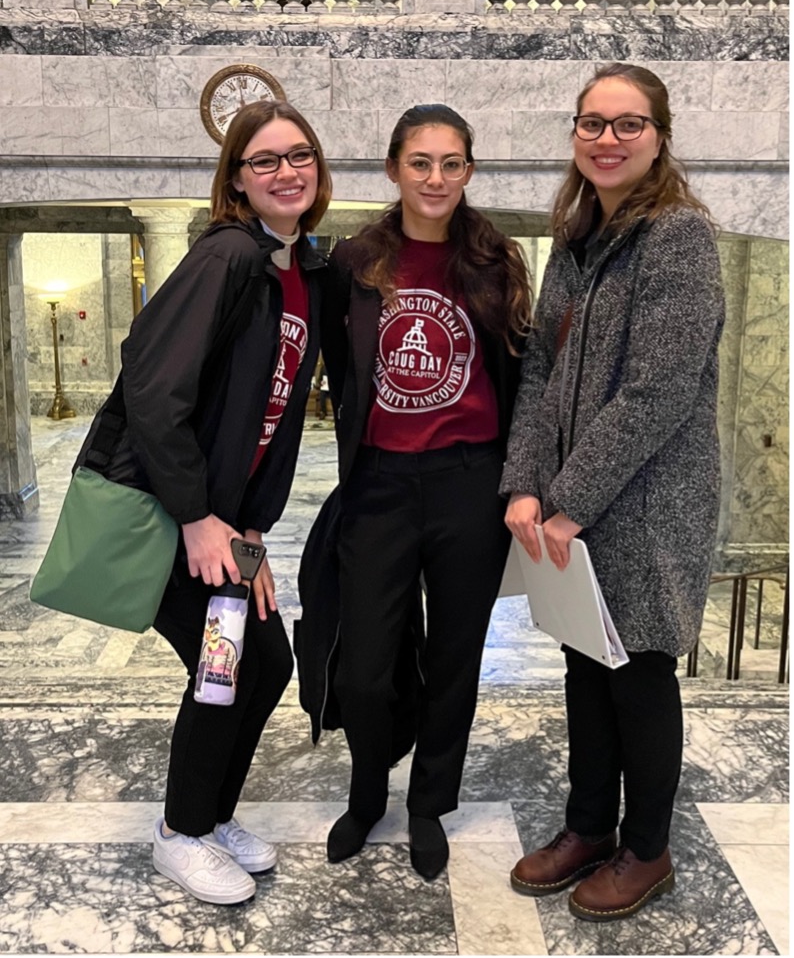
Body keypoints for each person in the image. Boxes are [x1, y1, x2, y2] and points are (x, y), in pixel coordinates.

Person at [76, 100, 331, 904]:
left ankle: (211, 817)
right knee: (226, 669)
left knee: (268, 660)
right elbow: (151, 387)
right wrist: (195, 517)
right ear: (238, 181)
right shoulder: (227, 257)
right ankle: (180, 831)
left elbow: (267, 411)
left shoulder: (300, 271)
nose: (286, 171)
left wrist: (247, 525)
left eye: (300, 156)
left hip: (230, 519)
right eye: (265, 161)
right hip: (171, 511)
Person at [501, 63, 724, 921]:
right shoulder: (575, 237)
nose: (607, 138)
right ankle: (588, 825)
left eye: (628, 124)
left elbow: (656, 391)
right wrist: (524, 482)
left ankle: (647, 846)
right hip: (571, 497)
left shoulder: (678, 236)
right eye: (592, 123)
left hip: (651, 498)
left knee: (639, 671)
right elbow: (542, 371)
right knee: (584, 661)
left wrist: (570, 497)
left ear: (660, 135)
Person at [321, 103, 532, 880]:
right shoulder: (354, 260)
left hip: (468, 483)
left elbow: (520, 376)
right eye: (420, 162)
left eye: (451, 163)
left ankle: (427, 802)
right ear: (393, 168)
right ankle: (369, 786)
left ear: (469, 171)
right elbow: (340, 372)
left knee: (454, 655)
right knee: (366, 665)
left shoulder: (497, 258)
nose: (435, 177)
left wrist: (524, 482)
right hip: (378, 480)